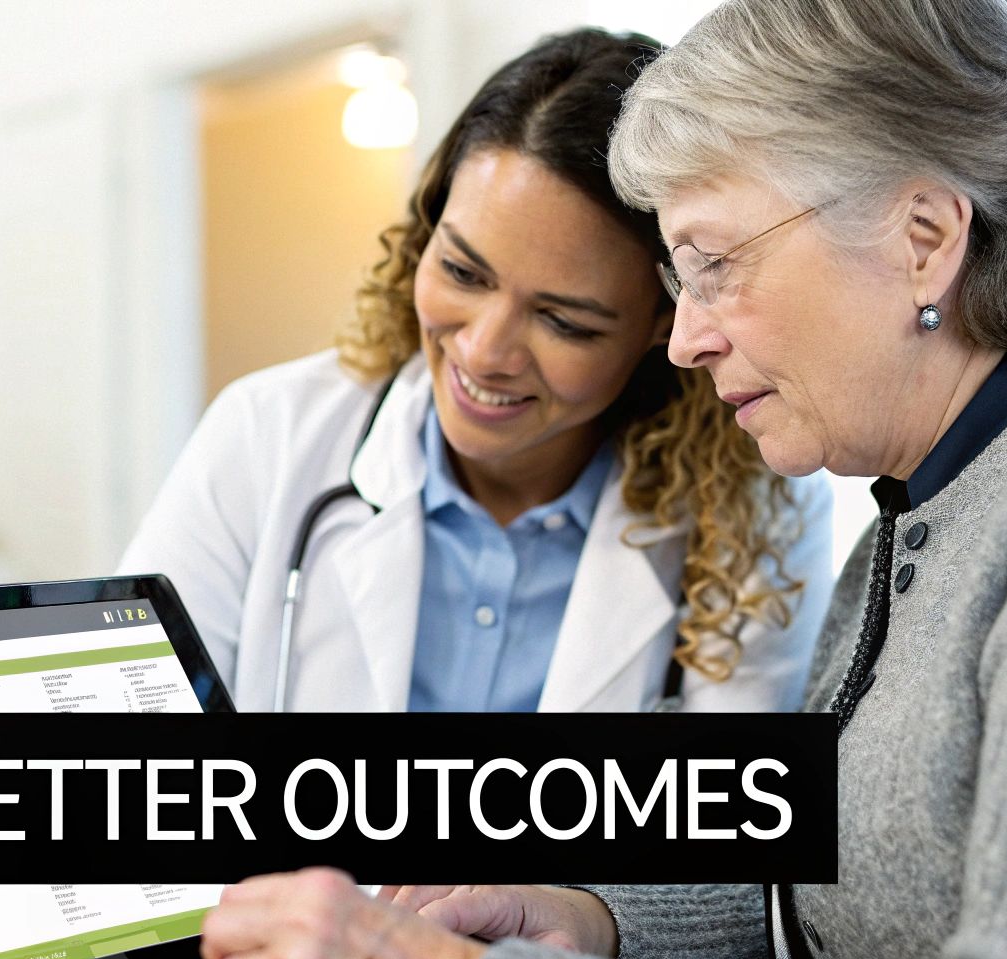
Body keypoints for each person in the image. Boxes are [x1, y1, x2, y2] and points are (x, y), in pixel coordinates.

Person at [191, 1, 1007, 959]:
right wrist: (585, 915)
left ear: (921, 236)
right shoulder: (926, 504)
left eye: (713, 264)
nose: (682, 339)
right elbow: (806, 882)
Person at [119, 29, 832, 718]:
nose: (486, 352)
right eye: (463, 272)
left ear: (664, 321)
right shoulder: (266, 435)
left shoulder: (754, 511)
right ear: (425, 235)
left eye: (564, 321)